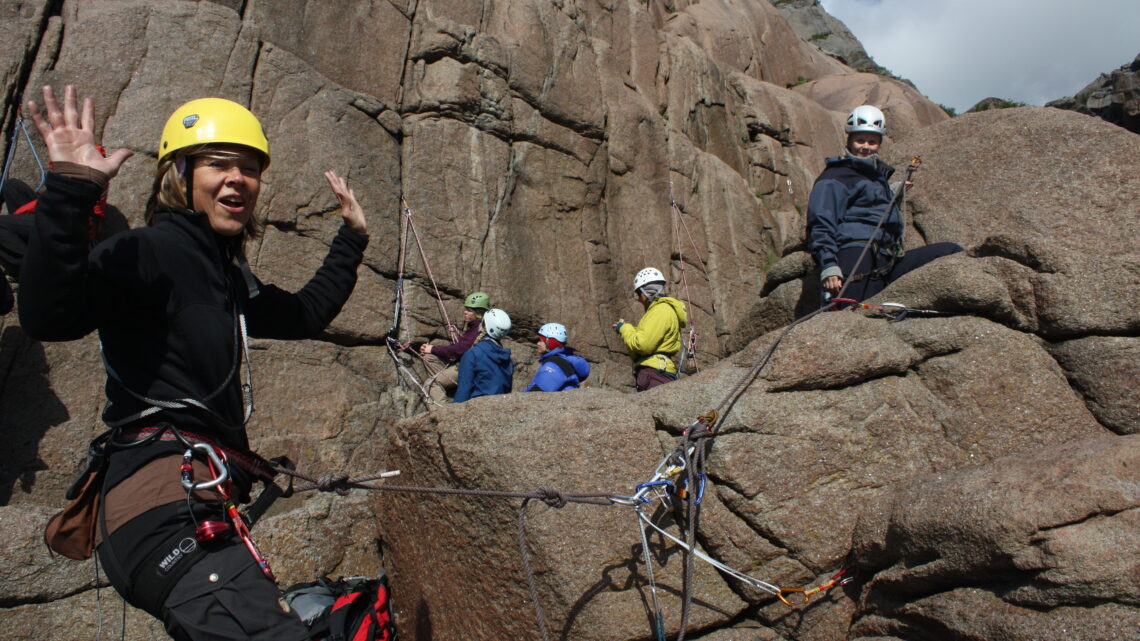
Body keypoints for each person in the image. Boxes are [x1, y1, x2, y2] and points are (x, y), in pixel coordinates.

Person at [19, 85, 369, 641]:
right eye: (219, 164)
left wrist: (352, 239)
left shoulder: (227, 277)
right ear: (179, 175)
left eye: (251, 169)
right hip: (159, 508)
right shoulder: (148, 250)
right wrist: (71, 187)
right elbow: (50, 315)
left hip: (195, 503)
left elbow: (303, 315)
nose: (238, 179)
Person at [807, 104, 963, 304]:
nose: (865, 146)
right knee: (856, 317)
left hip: (887, 259)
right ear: (849, 140)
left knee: (950, 251)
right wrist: (829, 265)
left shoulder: (876, 180)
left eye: (872, 142)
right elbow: (821, 221)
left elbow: (866, 202)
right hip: (854, 255)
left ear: (879, 144)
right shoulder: (835, 176)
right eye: (860, 140)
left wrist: (891, 193)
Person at [612, 267, 688, 391]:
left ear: (647, 292)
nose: (638, 299)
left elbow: (643, 345)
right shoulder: (660, 311)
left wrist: (625, 329)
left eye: (638, 294)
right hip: (657, 372)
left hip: (655, 374)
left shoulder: (661, 310)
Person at [418, 291, 490, 399]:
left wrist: (433, 348)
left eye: (469, 310)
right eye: (466, 309)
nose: (465, 312)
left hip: (466, 368)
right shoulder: (475, 327)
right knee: (428, 358)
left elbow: (460, 350)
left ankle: (444, 411)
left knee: (430, 384)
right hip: (463, 364)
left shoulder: (478, 329)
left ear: (478, 313)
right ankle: (445, 385)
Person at [453, 307, 514, 403]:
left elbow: (464, 391)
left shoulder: (472, 354)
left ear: (484, 325)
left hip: (477, 408)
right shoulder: (508, 360)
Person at [523, 322, 590, 392]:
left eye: (541, 341)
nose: (538, 343)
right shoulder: (563, 360)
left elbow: (537, 393)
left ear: (550, 342)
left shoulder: (553, 365)